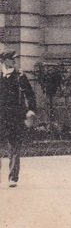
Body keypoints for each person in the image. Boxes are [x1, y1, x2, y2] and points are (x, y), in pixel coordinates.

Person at [0, 50, 36, 187]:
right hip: (1, 116)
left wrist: (31, 110)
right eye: (11, 59)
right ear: (3, 60)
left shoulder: (19, 76)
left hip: (16, 117)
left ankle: (13, 177)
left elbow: (30, 94)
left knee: (14, 147)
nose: (14, 61)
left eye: (15, 59)